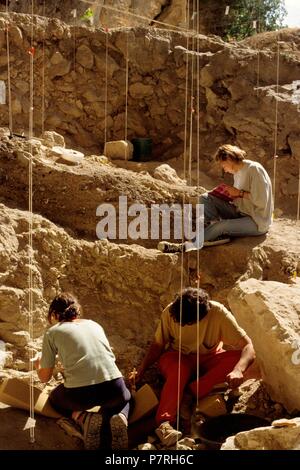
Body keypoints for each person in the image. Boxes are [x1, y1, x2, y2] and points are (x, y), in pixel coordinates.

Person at [134, 287, 255, 447]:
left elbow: (248, 346)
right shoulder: (170, 311)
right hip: (177, 357)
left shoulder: (218, 312)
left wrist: (238, 370)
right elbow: (158, 345)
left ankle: (189, 394)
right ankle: (164, 424)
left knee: (238, 358)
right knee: (179, 369)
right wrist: (140, 370)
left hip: (209, 358)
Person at [34, 292, 131, 450]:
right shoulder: (94, 324)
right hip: (114, 388)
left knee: (53, 398)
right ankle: (120, 417)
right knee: (126, 397)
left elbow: (44, 378)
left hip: (81, 396)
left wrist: (38, 366)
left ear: (54, 314)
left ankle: (83, 418)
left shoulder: (52, 332)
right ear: (77, 310)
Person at [158, 144, 273, 253]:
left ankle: (186, 246)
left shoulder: (254, 169)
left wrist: (239, 193)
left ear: (228, 158)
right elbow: (242, 197)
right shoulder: (237, 172)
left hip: (256, 220)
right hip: (241, 211)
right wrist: (228, 195)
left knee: (221, 226)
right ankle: (214, 235)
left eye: (223, 165)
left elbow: (262, 201)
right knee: (205, 198)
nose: (225, 170)